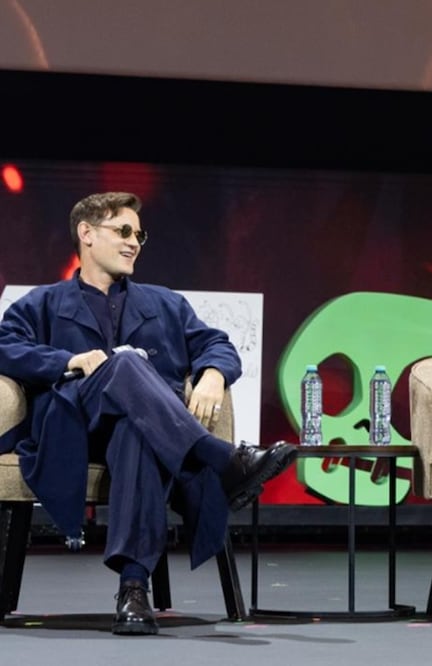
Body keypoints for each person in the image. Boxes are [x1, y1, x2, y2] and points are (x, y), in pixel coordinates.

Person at [0, 192, 298, 635]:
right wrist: (68, 362)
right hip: (73, 428)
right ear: (86, 234)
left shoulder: (165, 304)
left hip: (147, 432)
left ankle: (134, 591)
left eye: (139, 234)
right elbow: (6, 346)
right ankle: (221, 460)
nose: (134, 242)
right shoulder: (41, 303)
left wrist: (215, 372)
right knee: (124, 363)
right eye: (122, 231)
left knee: (136, 434)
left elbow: (215, 344)